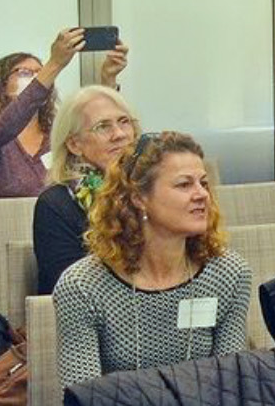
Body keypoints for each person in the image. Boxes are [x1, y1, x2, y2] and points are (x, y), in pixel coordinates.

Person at [53, 131, 252, 388]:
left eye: (204, 183)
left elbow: (231, 387)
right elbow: (83, 402)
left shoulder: (229, 274)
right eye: (184, 184)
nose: (202, 194)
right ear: (139, 198)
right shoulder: (83, 286)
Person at [0, 28, 126, 198]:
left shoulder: (56, 133)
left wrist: (108, 79)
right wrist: (55, 64)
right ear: (2, 85)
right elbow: (7, 126)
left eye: (39, 72)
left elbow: (99, 131)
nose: (36, 78)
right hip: (3, 223)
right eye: (25, 72)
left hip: (56, 222)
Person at [34, 86, 140, 294]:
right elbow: (69, 289)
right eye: (103, 126)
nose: (119, 134)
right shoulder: (56, 204)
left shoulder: (153, 191)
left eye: (124, 122)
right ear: (74, 144)